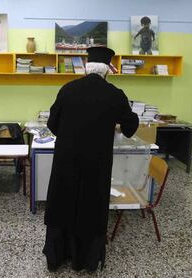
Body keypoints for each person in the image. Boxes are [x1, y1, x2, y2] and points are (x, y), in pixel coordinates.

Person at [43, 47, 139, 272]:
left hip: (66, 162)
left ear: (86, 68)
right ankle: (85, 261)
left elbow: (52, 124)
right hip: (96, 165)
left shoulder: (67, 89)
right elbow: (130, 127)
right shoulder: (115, 94)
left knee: (63, 204)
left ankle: (56, 258)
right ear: (107, 70)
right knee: (91, 208)